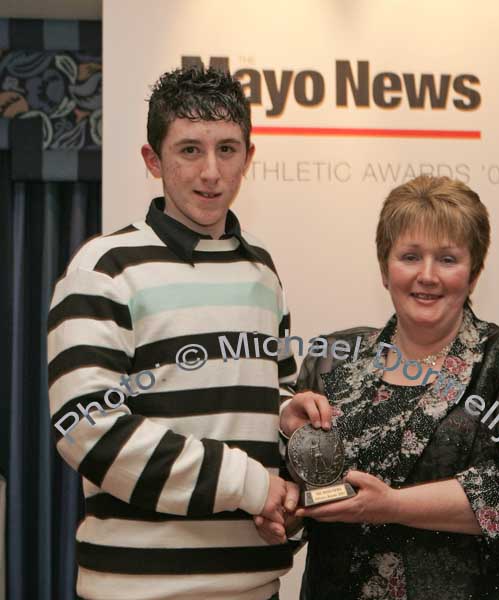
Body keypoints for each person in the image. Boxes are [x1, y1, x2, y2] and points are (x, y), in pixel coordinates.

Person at [47, 66, 310, 600]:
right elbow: (85, 428)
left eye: (228, 150)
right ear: (153, 159)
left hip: (256, 583)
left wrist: (287, 415)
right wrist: (251, 484)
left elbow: (269, 390)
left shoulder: (263, 270)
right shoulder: (105, 267)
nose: (211, 172)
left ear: (249, 157)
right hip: (136, 589)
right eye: (190, 149)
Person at [263, 175, 499, 599]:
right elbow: (303, 487)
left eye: (447, 259)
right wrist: (286, 511)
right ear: (384, 269)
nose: (427, 276)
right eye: (410, 256)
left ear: (474, 272)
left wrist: (392, 505)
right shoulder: (332, 357)